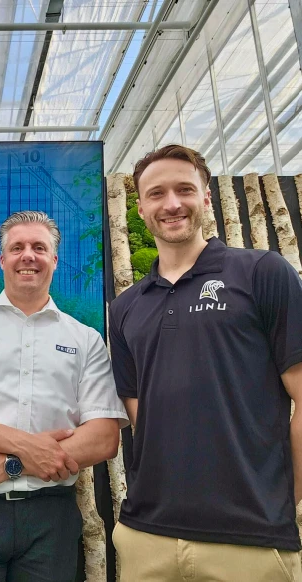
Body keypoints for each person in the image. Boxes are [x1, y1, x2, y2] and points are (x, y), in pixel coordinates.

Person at [109, 144, 302, 581]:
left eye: (184, 189)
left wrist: (287, 499)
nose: (172, 203)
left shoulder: (261, 273)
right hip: (146, 537)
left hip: (248, 541)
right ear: (140, 207)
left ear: (207, 198)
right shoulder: (125, 308)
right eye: (157, 193)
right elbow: (140, 415)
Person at [0, 210, 128, 582]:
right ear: (2, 260)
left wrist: (13, 464)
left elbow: (105, 437)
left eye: (39, 247)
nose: (28, 255)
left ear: (54, 260)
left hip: (51, 519)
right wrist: (28, 448)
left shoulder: (86, 339)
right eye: (17, 247)